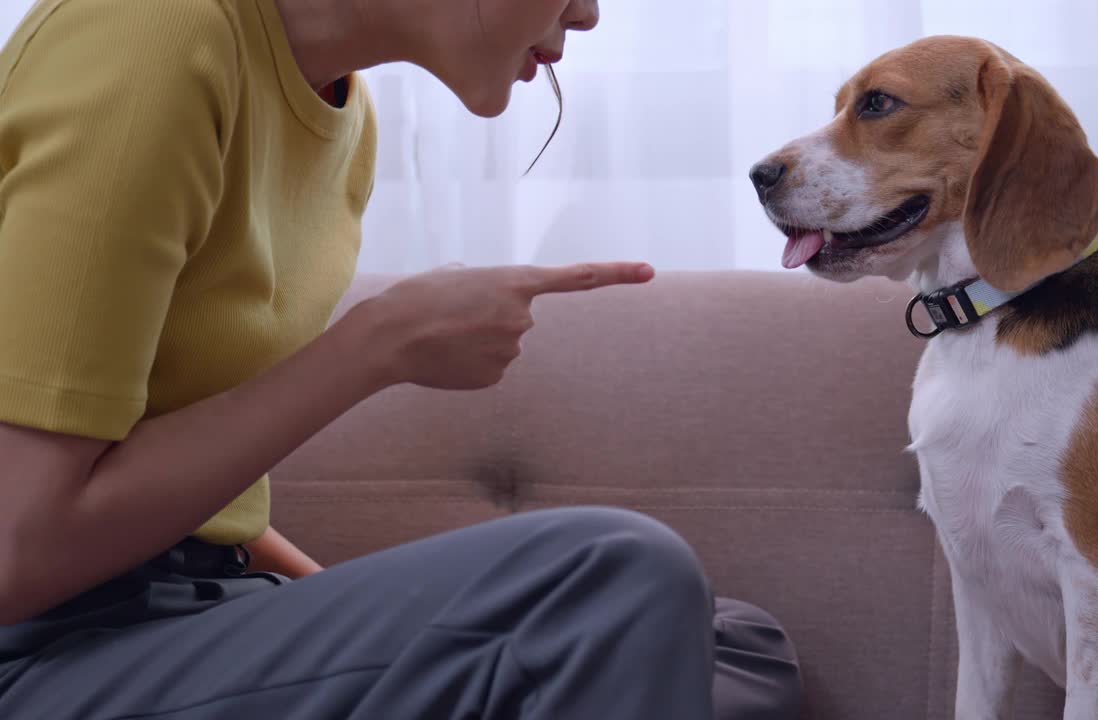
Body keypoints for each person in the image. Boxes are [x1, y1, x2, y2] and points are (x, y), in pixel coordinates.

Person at [0, 0, 805, 718]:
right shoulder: (152, 32)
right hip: (43, 650)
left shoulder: (345, 116)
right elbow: (16, 554)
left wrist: (392, 628)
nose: (589, 13)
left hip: (187, 610)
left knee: (730, 643)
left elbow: (204, 500)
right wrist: (375, 346)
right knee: (617, 581)